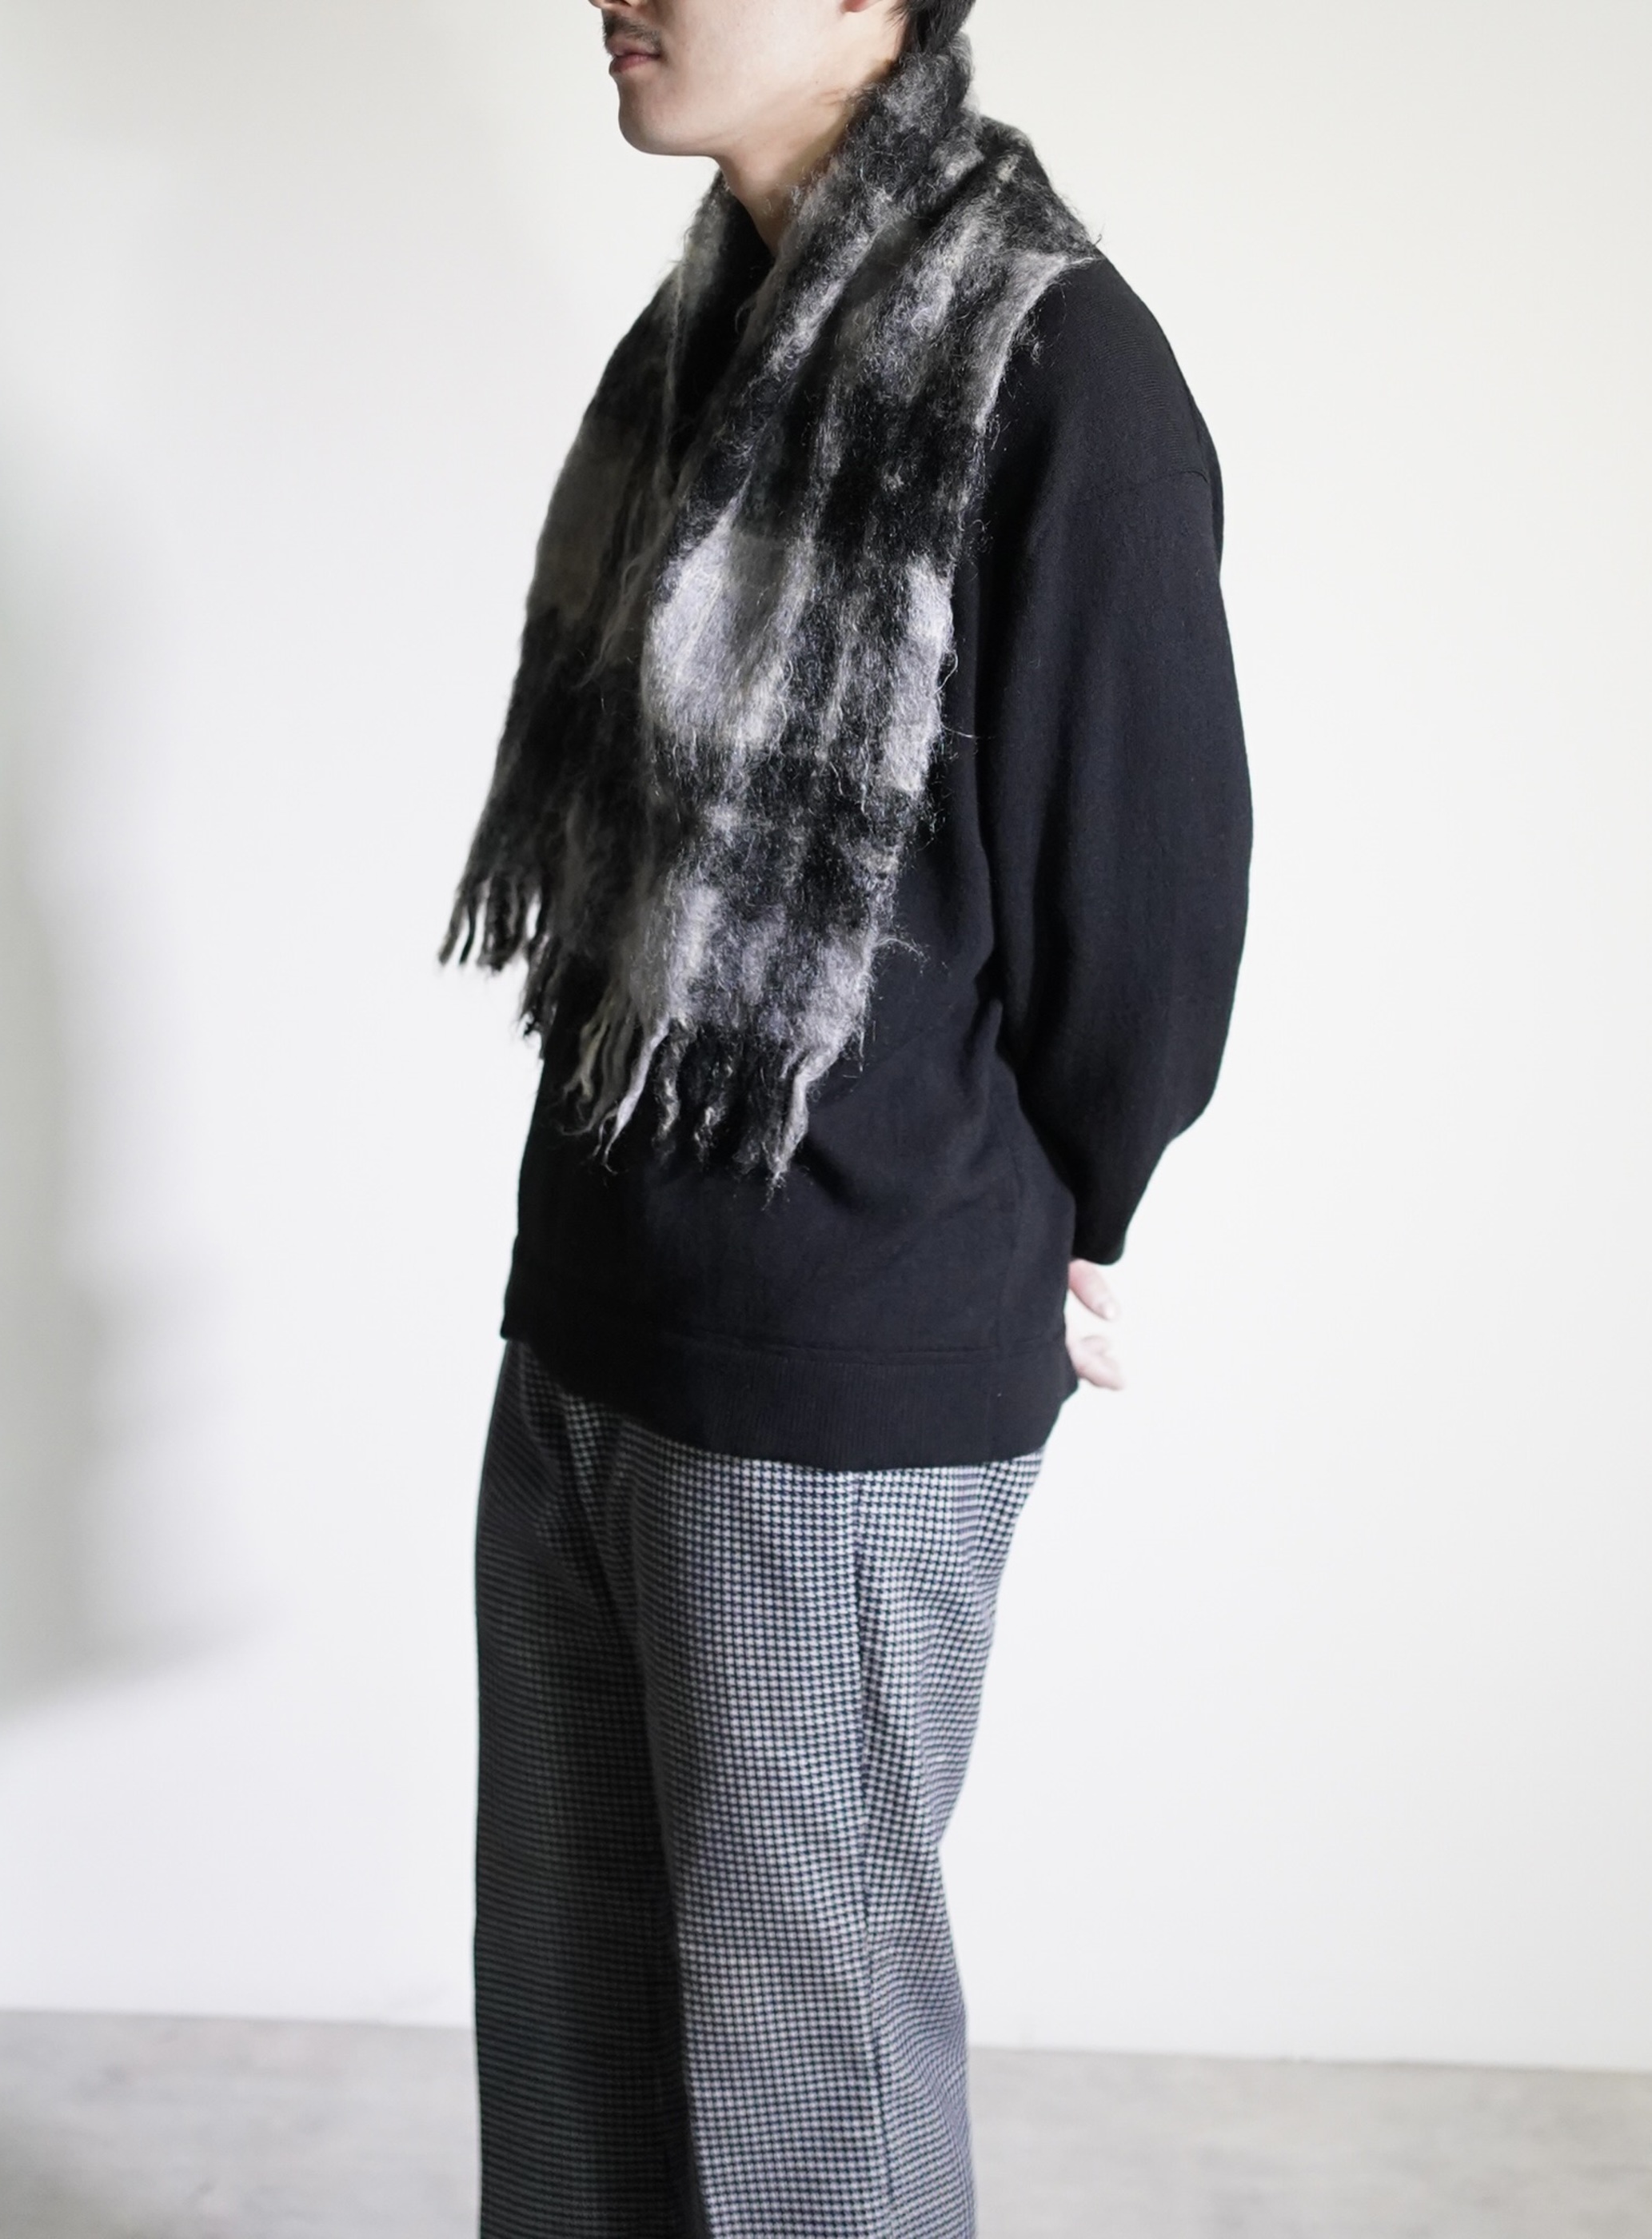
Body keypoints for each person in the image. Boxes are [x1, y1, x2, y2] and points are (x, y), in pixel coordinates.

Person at [443, 0, 1251, 2230]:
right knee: (579, 2022)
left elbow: (1145, 918)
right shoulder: (707, 330)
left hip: (843, 1343)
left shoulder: (1057, 365)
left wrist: (1030, 1224)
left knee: (807, 2072)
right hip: (595, 1296)